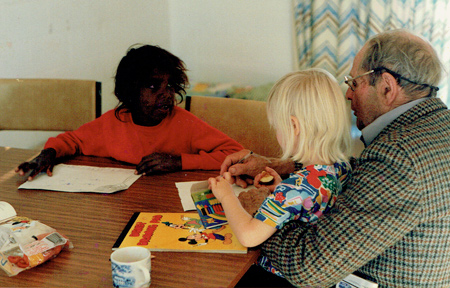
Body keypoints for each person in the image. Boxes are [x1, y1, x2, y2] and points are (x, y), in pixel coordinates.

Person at [223, 29, 450, 287]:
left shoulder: (400, 157)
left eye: (354, 83)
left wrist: (266, 209)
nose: (348, 94)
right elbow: (363, 176)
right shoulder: (432, 129)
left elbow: (308, 268)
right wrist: (278, 165)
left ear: (387, 87)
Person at [16, 44, 243, 180]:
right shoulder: (113, 123)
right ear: (131, 91)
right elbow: (73, 140)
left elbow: (236, 153)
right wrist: (49, 153)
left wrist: (179, 162)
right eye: (154, 86)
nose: (166, 94)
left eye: (170, 86)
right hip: (127, 203)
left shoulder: (184, 123)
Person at [209, 69, 352, 279]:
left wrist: (226, 195)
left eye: (276, 126)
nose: (276, 133)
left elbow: (249, 236)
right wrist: (279, 191)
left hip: (276, 277)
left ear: (294, 126)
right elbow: (311, 204)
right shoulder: (340, 167)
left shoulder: (295, 187)